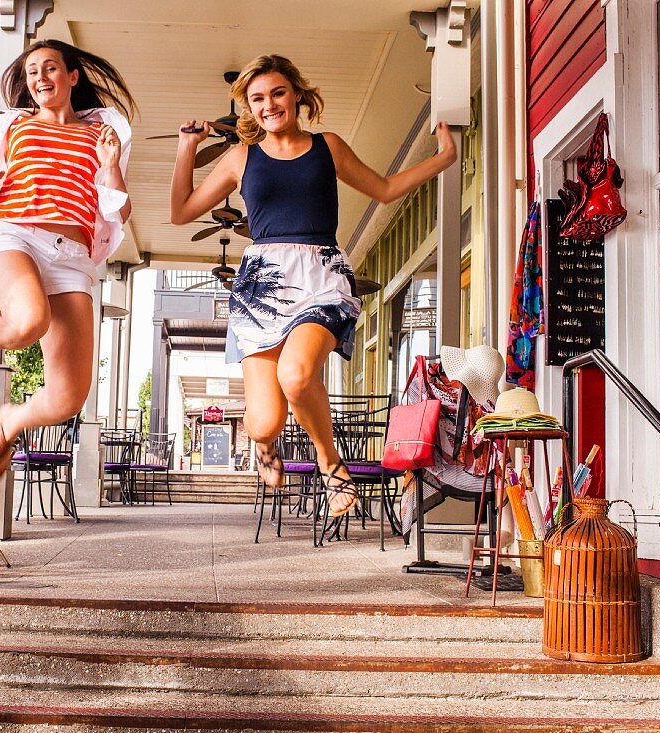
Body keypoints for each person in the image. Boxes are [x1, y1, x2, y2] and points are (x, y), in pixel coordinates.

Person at [169, 54, 457, 518]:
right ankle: (263, 442)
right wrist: (187, 147)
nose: (269, 105)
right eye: (257, 98)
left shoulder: (328, 146)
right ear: (248, 107)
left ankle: (331, 465)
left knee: (297, 375)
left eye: (277, 93)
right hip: (262, 285)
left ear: (297, 94)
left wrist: (444, 158)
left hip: (321, 275)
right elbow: (181, 211)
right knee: (265, 420)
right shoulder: (241, 157)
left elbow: (383, 189)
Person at [0, 40, 135, 481]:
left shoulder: (100, 135)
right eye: (32, 71)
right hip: (12, 235)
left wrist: (111, 163)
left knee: (67, 399)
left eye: (50, 68)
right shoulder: (13, 127)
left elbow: (119, 211)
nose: (40, 78)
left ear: (72, 76)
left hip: (71, 254)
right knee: (27, 321)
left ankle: (11, 421)